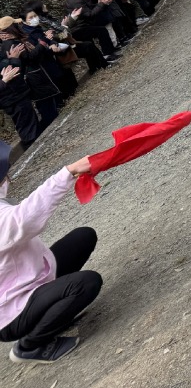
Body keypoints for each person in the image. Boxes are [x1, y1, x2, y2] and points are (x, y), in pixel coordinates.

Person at [0, 143, 103, 364]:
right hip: (10, 311)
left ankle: (51, 316)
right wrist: (69, 172)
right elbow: (24, 219)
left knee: (83, 237)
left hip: (29, 279)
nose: (7, 177)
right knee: (86, 283)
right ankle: (29, 346)